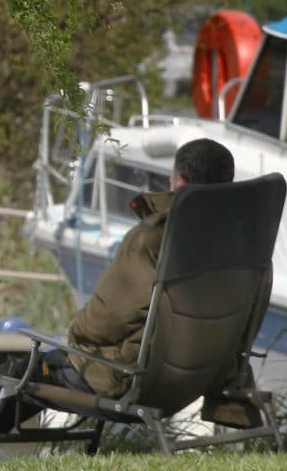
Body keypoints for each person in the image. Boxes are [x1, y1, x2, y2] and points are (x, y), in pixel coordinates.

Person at [64, 135, 258, 425]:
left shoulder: (153, 238)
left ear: (179, 180)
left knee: (10, 379)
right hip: (205, 376)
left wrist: (76, 336)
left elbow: (105, 320)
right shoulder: (243, 241)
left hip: (139, 382)